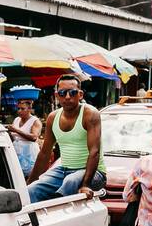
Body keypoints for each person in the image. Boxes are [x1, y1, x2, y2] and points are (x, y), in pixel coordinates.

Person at [27, 74, 105, 202]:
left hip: (94, 173)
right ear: (57, 96)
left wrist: (85, 185)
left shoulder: (90, 114)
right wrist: (29, 183)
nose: (67, 97)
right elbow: (45, 153)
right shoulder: (53, 117)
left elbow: (94, 152)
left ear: (80, 95)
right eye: (63, 93)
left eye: (72, 92)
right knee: (32, 190)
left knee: (70, 182)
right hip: (63, 171)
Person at [7, 98, 42, 178]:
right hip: (16, 152)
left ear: (29, 109)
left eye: (22, 109)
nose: (19, 111)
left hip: (29, 153)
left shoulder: (35, 121)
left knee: (29, 177)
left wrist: (16, 130)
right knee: (16, 176)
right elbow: (14, 137)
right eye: (18, 108)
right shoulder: (16, 119)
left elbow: (34, 137)